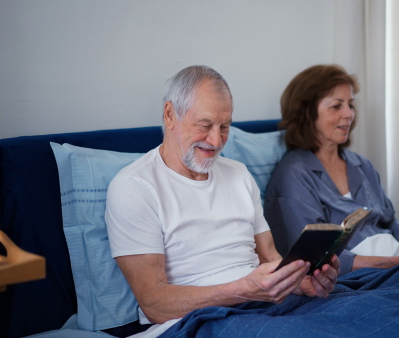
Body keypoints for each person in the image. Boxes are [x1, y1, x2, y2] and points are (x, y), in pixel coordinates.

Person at [105, 65, 339, 330]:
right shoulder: (135, 187)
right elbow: (154, 304)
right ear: (170, 115)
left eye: (225, 127)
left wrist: (299, 282)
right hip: (199, 320)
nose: (216, 141)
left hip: (266, 306)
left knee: (368, 308)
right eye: (204, 125)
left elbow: (270, 258)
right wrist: (243, 290)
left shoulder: (238, 174)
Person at [264, 64, 399, 276]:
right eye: (337, 106)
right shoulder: (293, 175)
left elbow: (392, 224)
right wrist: (397, 262)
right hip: (361, 278)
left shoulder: (362, 165)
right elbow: (312, 257)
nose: (349, 114)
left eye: (350, 105)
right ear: (306, 113)